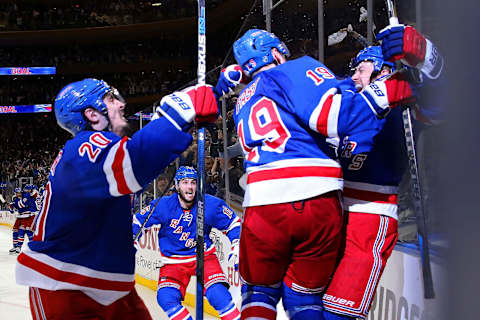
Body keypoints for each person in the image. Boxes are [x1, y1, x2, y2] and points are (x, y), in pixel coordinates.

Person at [214, 28, 417, 319]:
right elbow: (334, 115)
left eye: (361, 69)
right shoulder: (300, 72)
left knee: (262, 293)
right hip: (320, 202)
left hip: (356, 214)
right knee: (304, 298)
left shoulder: (245, 98)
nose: (354, 76)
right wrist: (385, 90)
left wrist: (414, 74)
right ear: (275, 53)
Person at [15, 78, 218, 319]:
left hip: (109, 288)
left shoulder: (100, 153)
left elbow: (145, 157)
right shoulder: (85, 146)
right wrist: (183, 106)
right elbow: (137, 160)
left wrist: (213, 93)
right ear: (92, 114)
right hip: (66, 287)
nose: (121, 104)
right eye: (111, 99)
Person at [322, 25, 445, 320]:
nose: (354, 76)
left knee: (338, 312)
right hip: (330, 212)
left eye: (362, 69)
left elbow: (441, 101)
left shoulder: (402, 102)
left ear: (384, 72)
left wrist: (424, 54)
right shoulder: (347, 99)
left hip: (369, 217)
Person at [133, 166, 241, 320]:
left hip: (204, 257)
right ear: (177, 185)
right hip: (173, 261)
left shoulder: (209, 204)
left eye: (193, 182)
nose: (189, 187)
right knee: (166, 297)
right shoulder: (163, 205)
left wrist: (236, 244)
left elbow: (233, 223)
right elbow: (138, 221)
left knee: (219, 296)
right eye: (184, 182)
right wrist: (132, 240)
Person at [8, 186, 36, 254]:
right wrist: (11, 207)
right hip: (20, 216)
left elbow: (22, 205)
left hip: (29, 216)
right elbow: (12, 211)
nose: (19, 194)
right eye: (17, 193)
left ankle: (31, 247)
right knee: (15, 231)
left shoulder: (26, 195)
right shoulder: (15, 198)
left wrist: (14, 204)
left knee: (27, 232)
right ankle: (15, 247)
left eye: (20, 192)